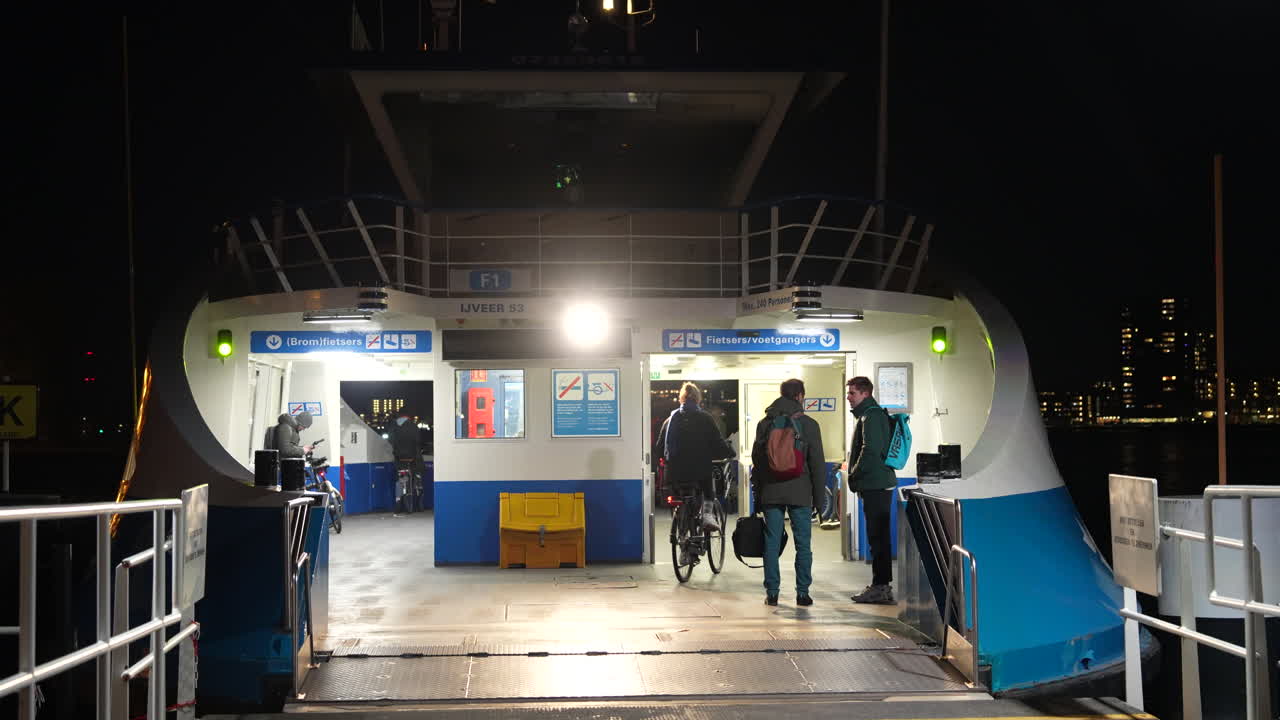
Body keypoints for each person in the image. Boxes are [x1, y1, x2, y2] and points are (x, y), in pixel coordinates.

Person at [750, 378, 825, 607]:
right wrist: (819, 500)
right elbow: (817, 464)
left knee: (771, 542)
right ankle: (802, 593)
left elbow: (758, 461)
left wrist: (759, 496)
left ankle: (772, 593)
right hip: (800, 491)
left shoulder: (765, 423)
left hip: (772, 491)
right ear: (800, 396)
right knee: (803, 543)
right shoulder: (810, 424)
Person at [656, 383, 735, 537]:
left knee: (679, 501)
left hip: (674, 474)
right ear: (698, 399)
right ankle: (707, 516)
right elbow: (717, 442)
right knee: (708, 487)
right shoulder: (705, 418)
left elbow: (659, 447)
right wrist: (729, 452)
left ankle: (682, 537)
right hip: (699, 471)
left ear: (681, 399)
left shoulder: (670, 420)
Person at [846, 376, 897, 605]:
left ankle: (881, 587)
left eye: (852, 393)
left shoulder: (872, 416)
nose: (849, 397)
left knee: (878, 537)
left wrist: (854, 473)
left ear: (865, 394)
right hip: (874, 484)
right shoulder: (868, 415)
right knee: (877, 536)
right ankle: (881, 585)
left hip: (875, 484)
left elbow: (870, 450)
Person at [389, 409, 423, 514]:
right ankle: (418, 503)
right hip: (413, 459)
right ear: (409, 416)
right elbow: (418, 441)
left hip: (399, 459)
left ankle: (398, 502)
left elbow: (391, 440)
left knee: (399, 481)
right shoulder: (413, 426)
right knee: (417, 476)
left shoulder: (393, 426)